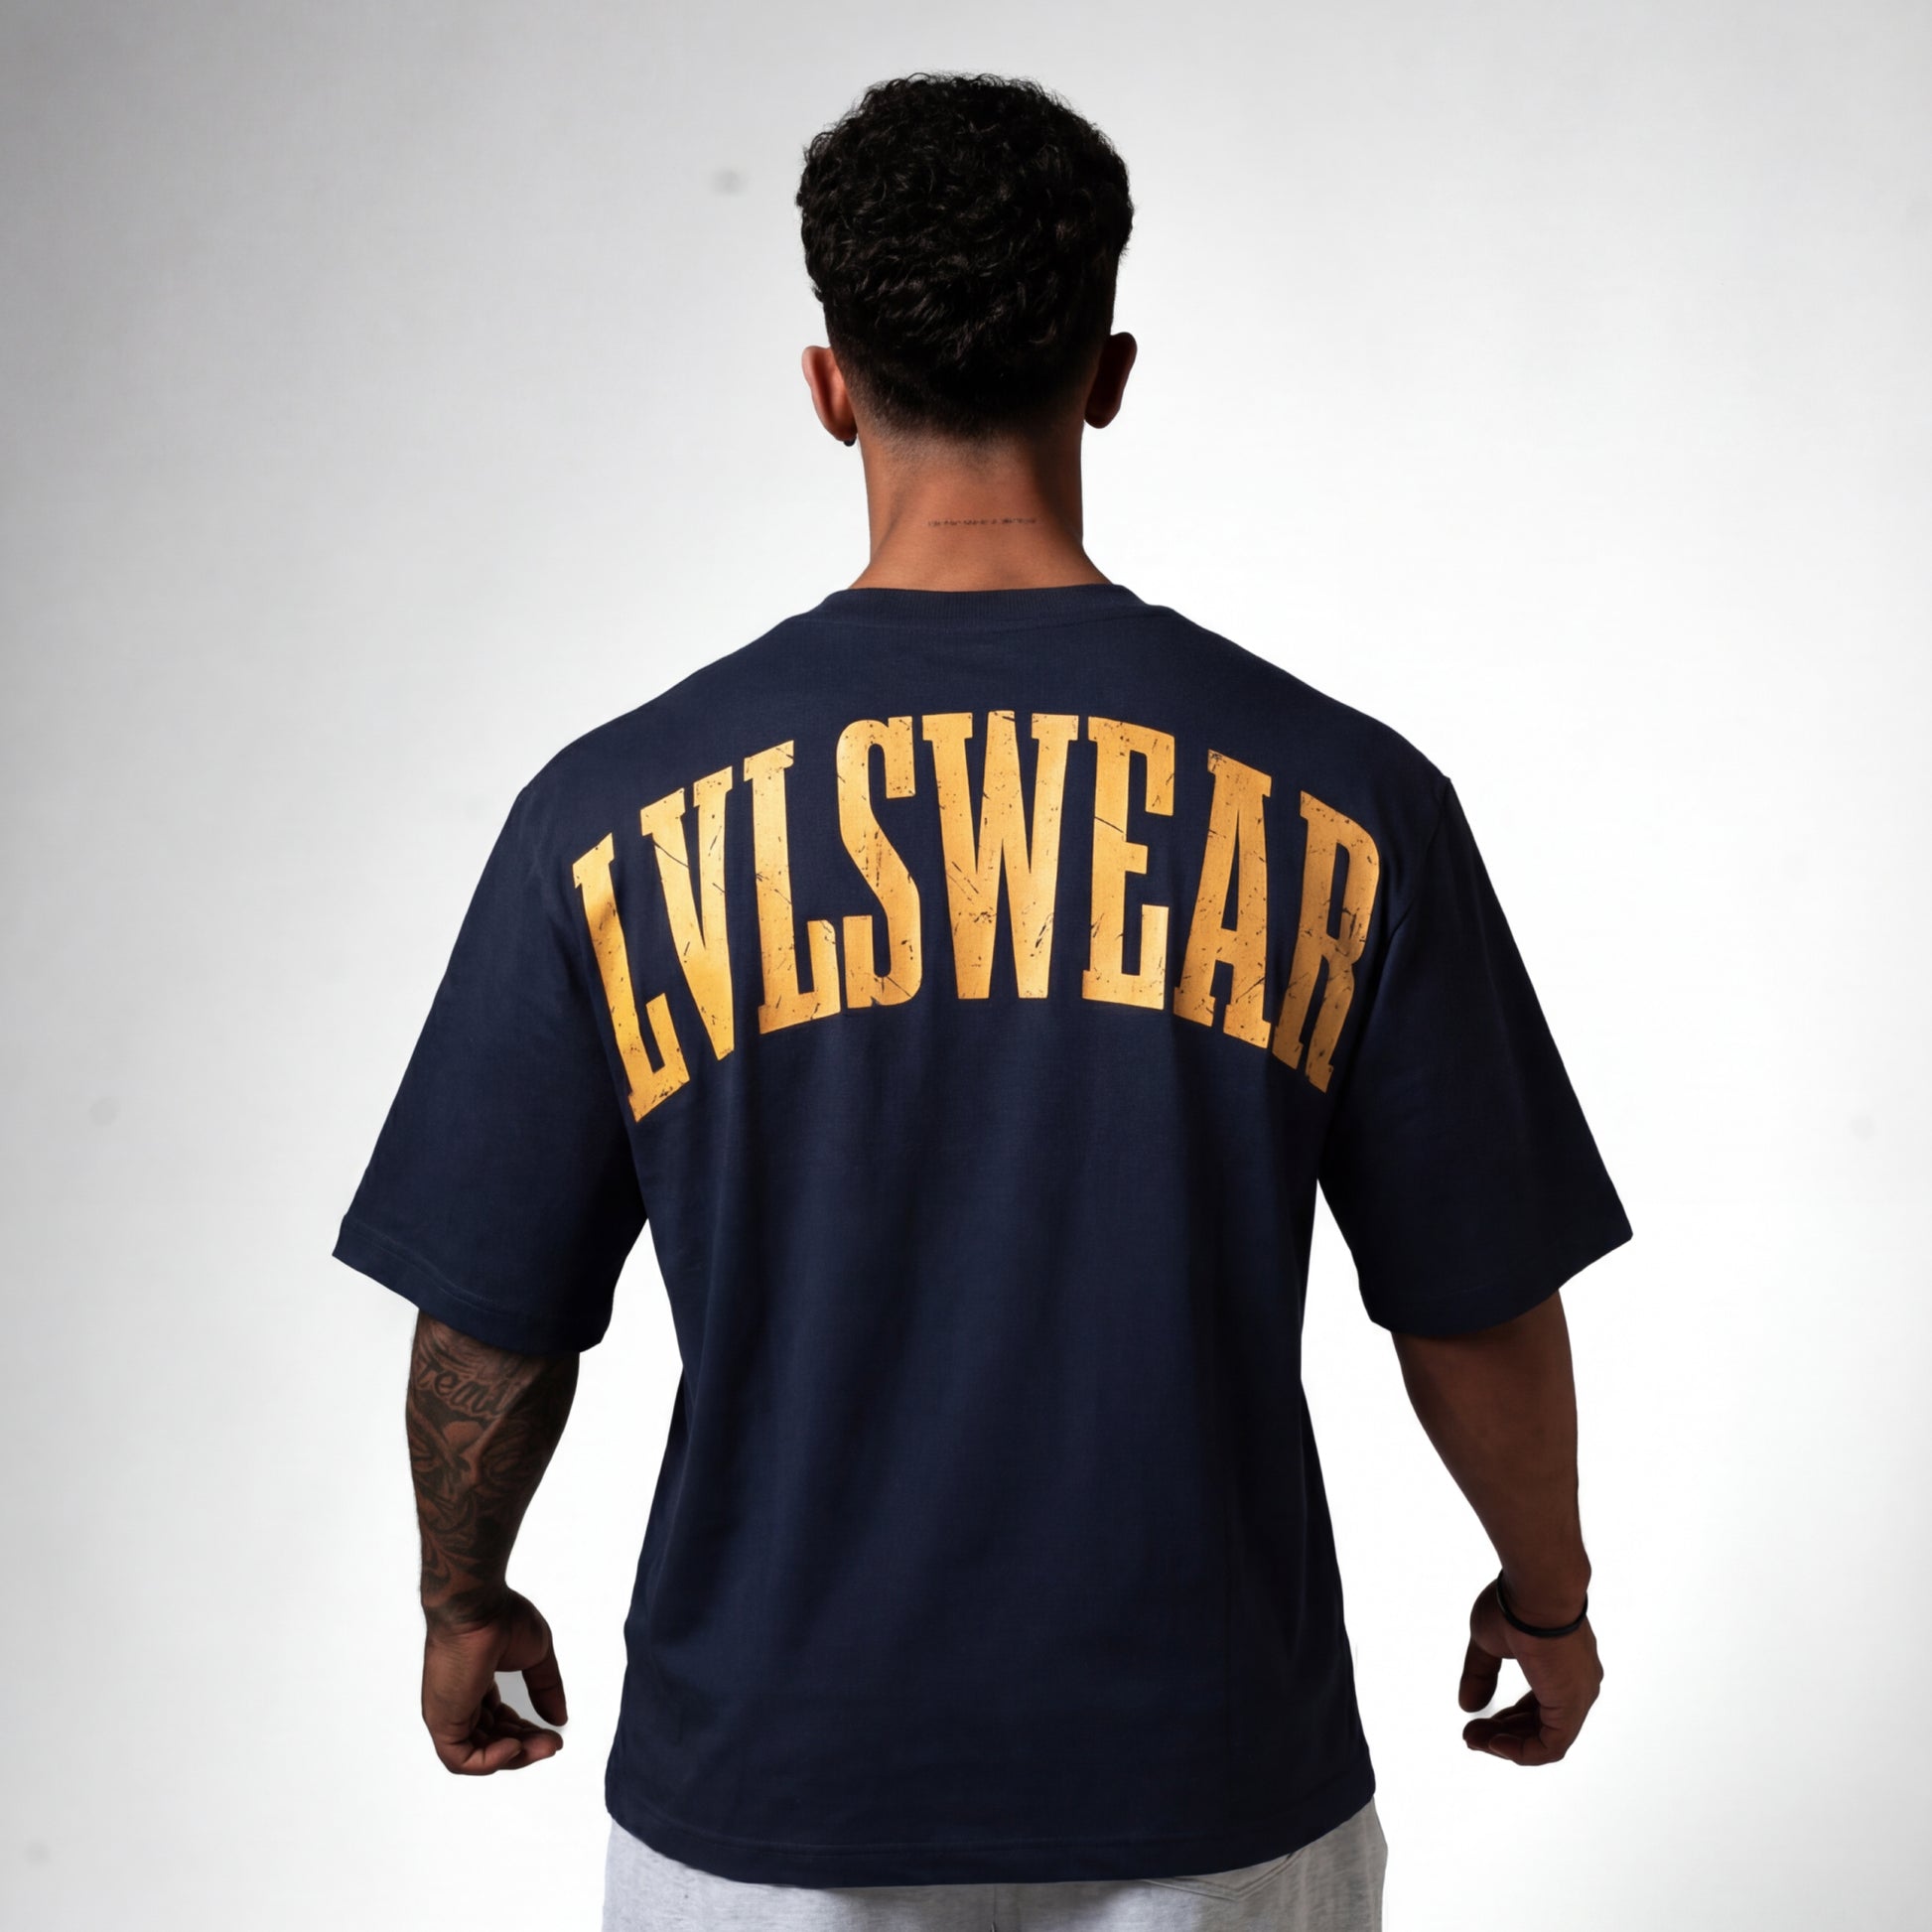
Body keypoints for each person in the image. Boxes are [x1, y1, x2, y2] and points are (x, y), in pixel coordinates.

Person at [334, 69, 1632, 1932]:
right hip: (1207, 1778)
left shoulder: (608, 816)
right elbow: (1473, 1299)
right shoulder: (1349, 801)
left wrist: (464, 1601)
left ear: (828, 386)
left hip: (766, 1792)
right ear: (1105, 374)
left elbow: (493, 1318)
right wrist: (1546, 1599)